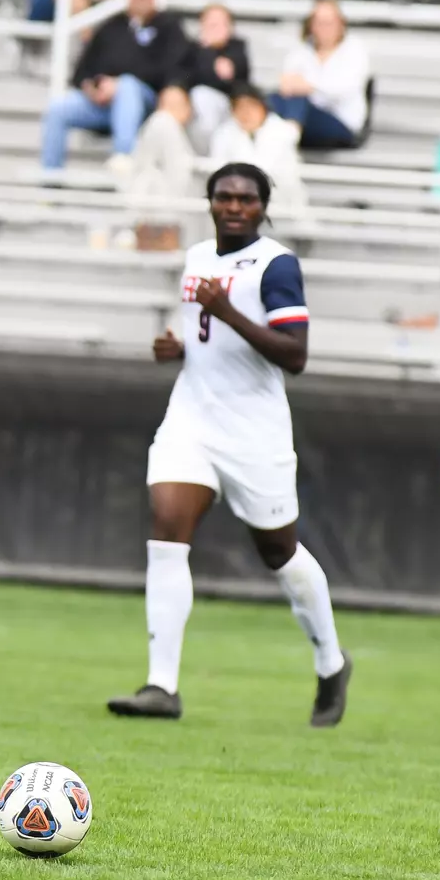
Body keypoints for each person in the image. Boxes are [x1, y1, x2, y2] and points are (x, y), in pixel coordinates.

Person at [107, 162, 351, 726]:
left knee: (278, 552)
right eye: (224, 197)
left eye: (246, 199)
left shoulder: (276, 265)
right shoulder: (196, 257)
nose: (234, 206)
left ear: (264, 207)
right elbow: (201, 334)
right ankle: (161, 687)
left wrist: (227, 312)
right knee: (167, 526)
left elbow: (295, 355)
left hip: (254, 429)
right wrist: (178, 347)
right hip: (192, 416)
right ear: (210, 202)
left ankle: (330, 661)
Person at [39, 0, 191, 175]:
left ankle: (123, 159)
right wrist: (92, 87)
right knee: (58, 109)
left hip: (147, 103)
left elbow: (171, 70)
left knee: (127, 86)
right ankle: (50, 176)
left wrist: (118, 85)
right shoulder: (111, 27)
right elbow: (82, 70)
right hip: (103, 104)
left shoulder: (170, 28)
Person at [269, 0, 369, 150]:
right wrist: (300, 87)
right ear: (311, 25)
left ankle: (285, 142)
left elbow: (346, 88)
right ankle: (288, 135)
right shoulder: (301, 50)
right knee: (271, 99)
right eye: (319, 22)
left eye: (329, 23)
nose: (324, 28)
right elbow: (286, 84)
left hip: (341, 122)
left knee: (298, 99)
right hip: (304, 117)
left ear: (341, 24)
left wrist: (310, 87)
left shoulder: (354, 50)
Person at [209, 86, 307, 210]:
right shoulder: (224, 133)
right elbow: (217, 167)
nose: (246, 113)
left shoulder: (282, 131)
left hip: (282, 202)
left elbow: (266, 170)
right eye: (240, 108)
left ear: (263, 108)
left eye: (251, 107)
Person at [186, 4, 250, 142]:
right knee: (200, 95)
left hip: (230, 108)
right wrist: (208, 51)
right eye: (211, 23)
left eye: (222, 23)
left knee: (203, 96)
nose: (216, 28)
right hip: (193, 112)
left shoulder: (237, 49)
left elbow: (229, 81)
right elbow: (192, 78)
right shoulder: (191, 49)